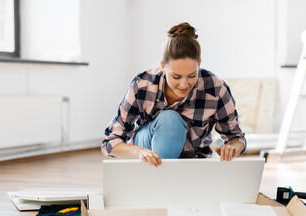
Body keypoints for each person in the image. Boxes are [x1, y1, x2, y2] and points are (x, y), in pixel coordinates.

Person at [102, 22, 246, 167]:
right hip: (149, 153)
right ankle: (161, 182)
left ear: (199, 65)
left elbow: (236, 137)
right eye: (176, 77)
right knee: (170, 120)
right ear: (163, 67)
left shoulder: (216, 89)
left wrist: (232, 147)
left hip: (194, 159)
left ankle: (174, 180)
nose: (184, 85)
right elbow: (110, 142)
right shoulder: (143, 85)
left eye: (192, 75)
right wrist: (140, 152)